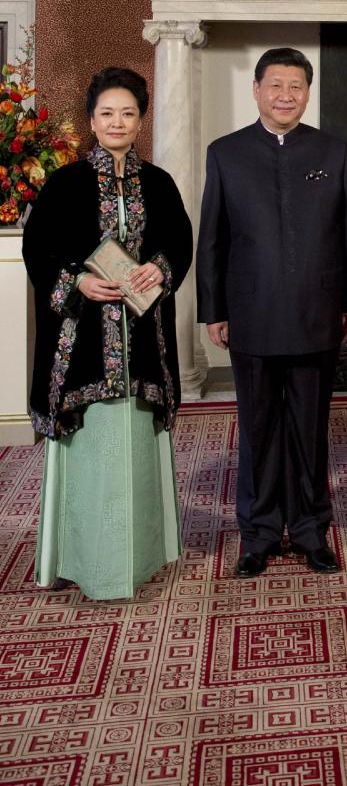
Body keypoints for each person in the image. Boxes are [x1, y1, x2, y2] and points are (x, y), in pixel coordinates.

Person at [196, 47, 347, 578]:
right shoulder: (225, 153)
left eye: (296, 86)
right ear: (256, 89)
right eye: (275, 85)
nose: (285, 96)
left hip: (318, 312)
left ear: (307, 93)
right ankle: (259, 533)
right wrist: (214, 309)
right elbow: (213, 239)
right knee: (258, 430)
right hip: (250, 313)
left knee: (311, 429)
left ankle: (312, 530)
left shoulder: (332, 150)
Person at [23, 67, 193, 600]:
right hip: (84, 346)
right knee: (92, 452)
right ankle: (84, 558)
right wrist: (77, 281)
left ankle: (140, 557)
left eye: (127, 113)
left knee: (137, 448)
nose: (117, 122)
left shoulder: (160, 183)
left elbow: (179, 243)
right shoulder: (65, 183)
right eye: (106, 113)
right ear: (91, 121)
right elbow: (38, 250)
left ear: (141, 120)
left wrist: (159, 269)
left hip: (143, 341)